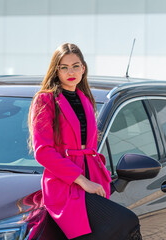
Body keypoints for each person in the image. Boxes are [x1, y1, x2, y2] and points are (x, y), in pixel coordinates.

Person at [28, 43, 142, 240]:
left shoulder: (85, 99)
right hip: (65, 183)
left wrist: (101, 175)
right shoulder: (46, 100)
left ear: (83, 68)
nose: (70, 72)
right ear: (56, 70)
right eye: (64, 67)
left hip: (92, 175)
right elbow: (43, 151)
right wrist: (82, 180)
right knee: (127, 221)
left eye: (76, 66)